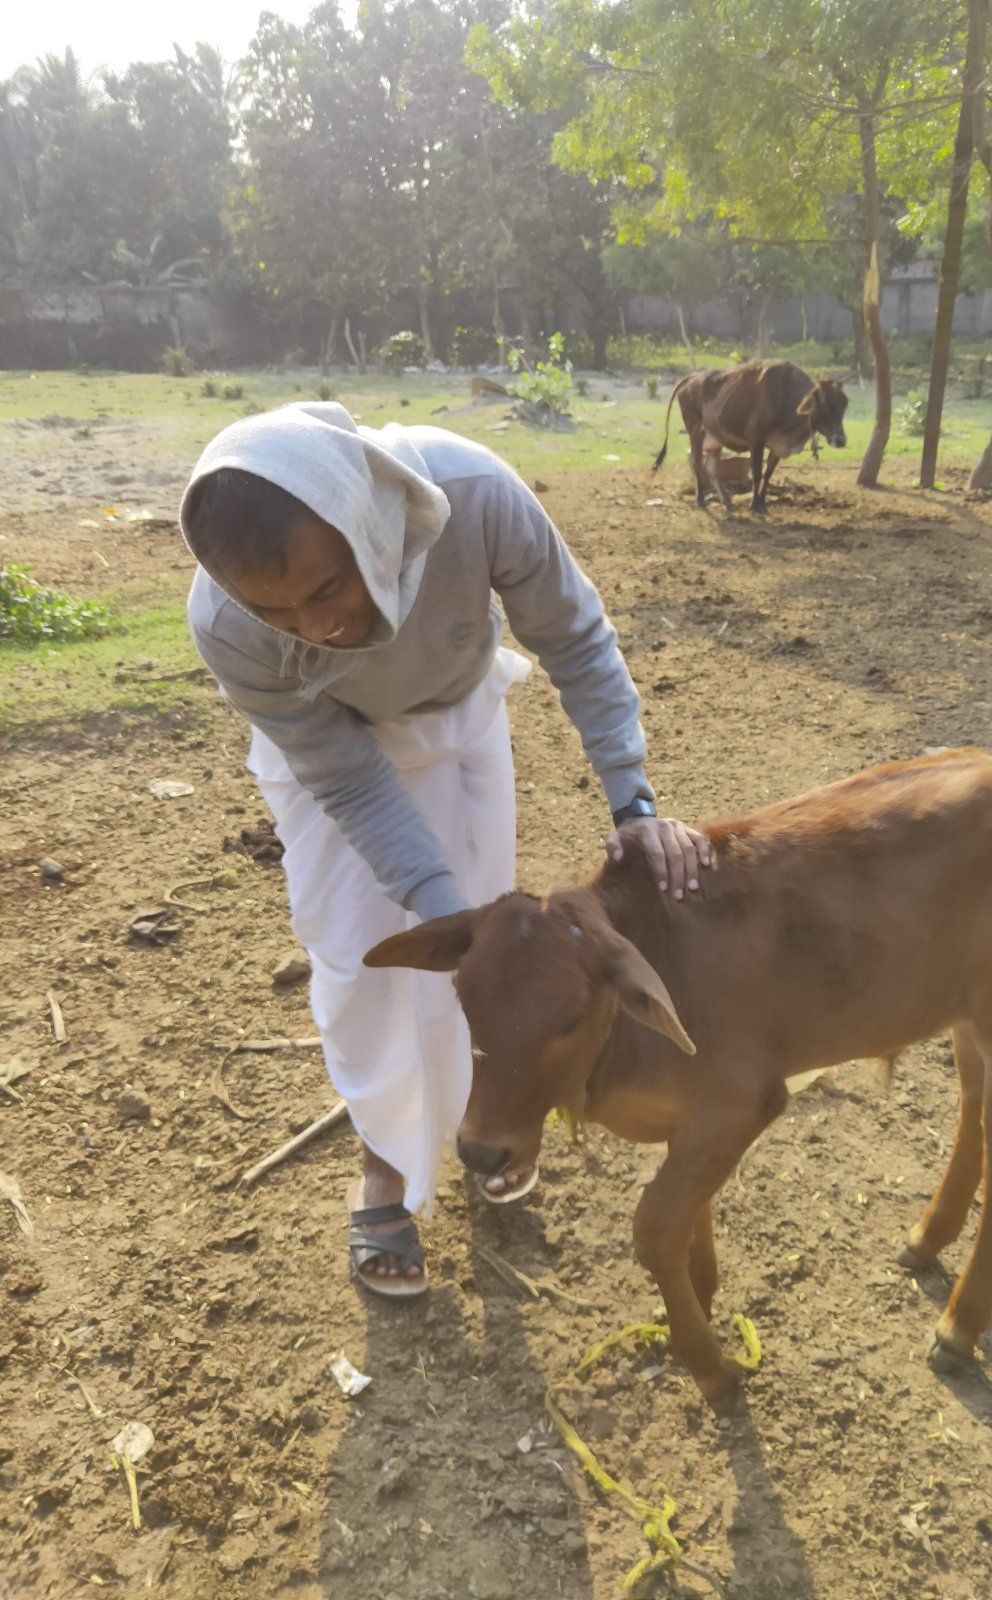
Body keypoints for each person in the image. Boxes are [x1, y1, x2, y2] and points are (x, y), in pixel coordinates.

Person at [180, 400, 711, 1296]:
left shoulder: (468, 494)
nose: (313, 630)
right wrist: (443, 917)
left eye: (324, 590)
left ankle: (496, 1117)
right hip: (340, 749)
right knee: (362, 962)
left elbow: (575, 638)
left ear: (366, 523)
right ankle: (386, 1167)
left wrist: (634, 802)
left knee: (499, 968)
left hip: (462, 712)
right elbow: (348, 780)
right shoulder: (227, 627)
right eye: (274, 609)